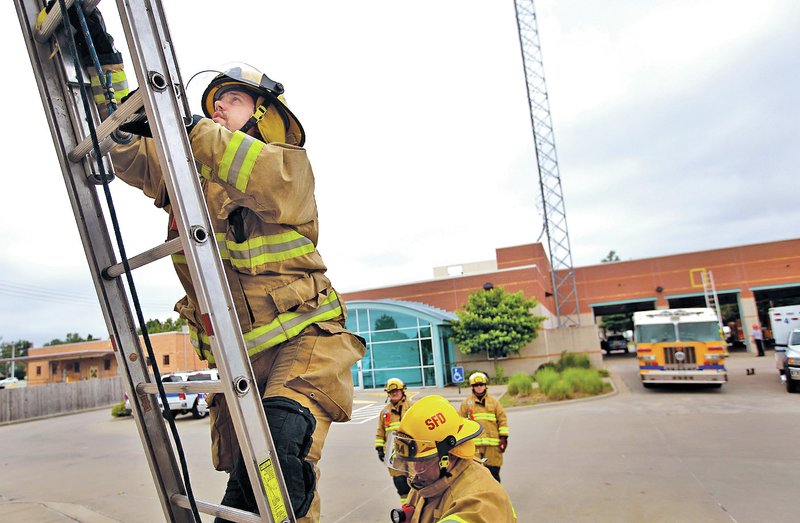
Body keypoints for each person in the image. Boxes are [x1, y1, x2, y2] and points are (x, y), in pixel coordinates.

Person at [57, 6, 366, 522]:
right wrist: (102, 67)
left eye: (234, 99)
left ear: (264, 115)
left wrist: (186, 129)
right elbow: (128, 148)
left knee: (280, 464)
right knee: (261, 496)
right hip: (237, 362)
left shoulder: (288, 166)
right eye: (216, 102)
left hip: (304, 343)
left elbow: (262, 177)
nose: (220, 108)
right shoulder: (188, 176)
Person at [387, 394, 516, 522]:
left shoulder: (479, 502)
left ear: (449, 456)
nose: (416, 469)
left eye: (423, 461)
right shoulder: (425, 483)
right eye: (411, 462)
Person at [459, 372, 509, 482]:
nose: (479, 387)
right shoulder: (466, 404)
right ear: (472, 387)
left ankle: (496, 497)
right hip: (474, 447)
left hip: (492, 446)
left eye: (481, 384)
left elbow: (502, 420)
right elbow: (460, 424)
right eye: (476, 385)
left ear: (485, 385)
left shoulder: (494, 402)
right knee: (475, 475)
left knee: (493, 473)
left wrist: (504, 438)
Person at [375, 378, 413, 504]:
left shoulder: (412, 407)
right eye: (391, 392)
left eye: (396, 391)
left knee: (415, 483)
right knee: (400, 484)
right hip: (393, 455)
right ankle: (406, 510)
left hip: (412, 452)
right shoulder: (385, 412)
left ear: (402, 391)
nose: (394, 394)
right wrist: (379, 448)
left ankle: (418, 509)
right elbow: (381, 431)